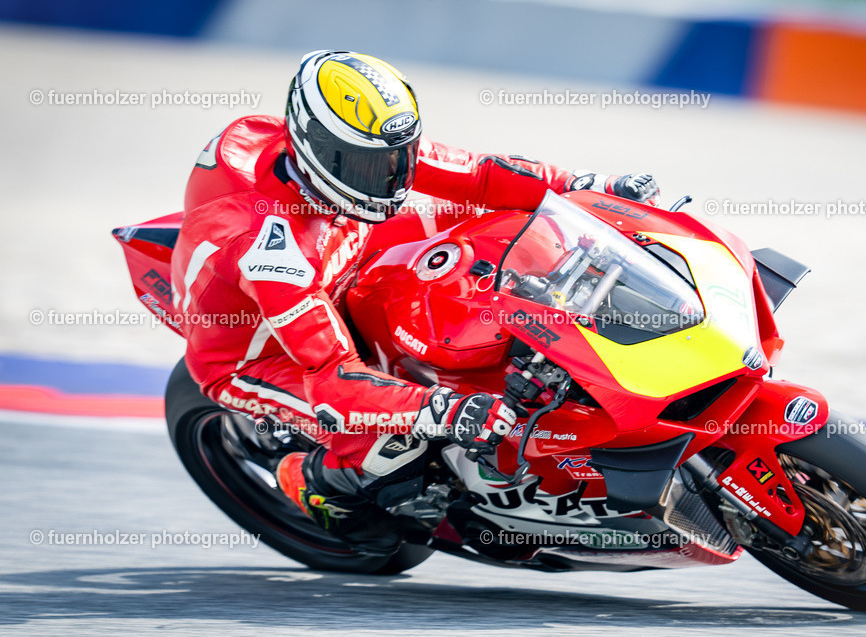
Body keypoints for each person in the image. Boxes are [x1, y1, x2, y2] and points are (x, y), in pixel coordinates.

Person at [170, 50, 660, 555]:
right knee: (392, 443)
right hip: (263, 353)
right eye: (368, 164)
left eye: (397, 156)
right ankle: (315, 483)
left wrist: (585, 187)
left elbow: (478, 176)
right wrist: (446, 411)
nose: (390, 175)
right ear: (316, 149)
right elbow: (334, 379)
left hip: (343, 248)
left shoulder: (351, 145)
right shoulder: (270, 251)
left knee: (487, 232)